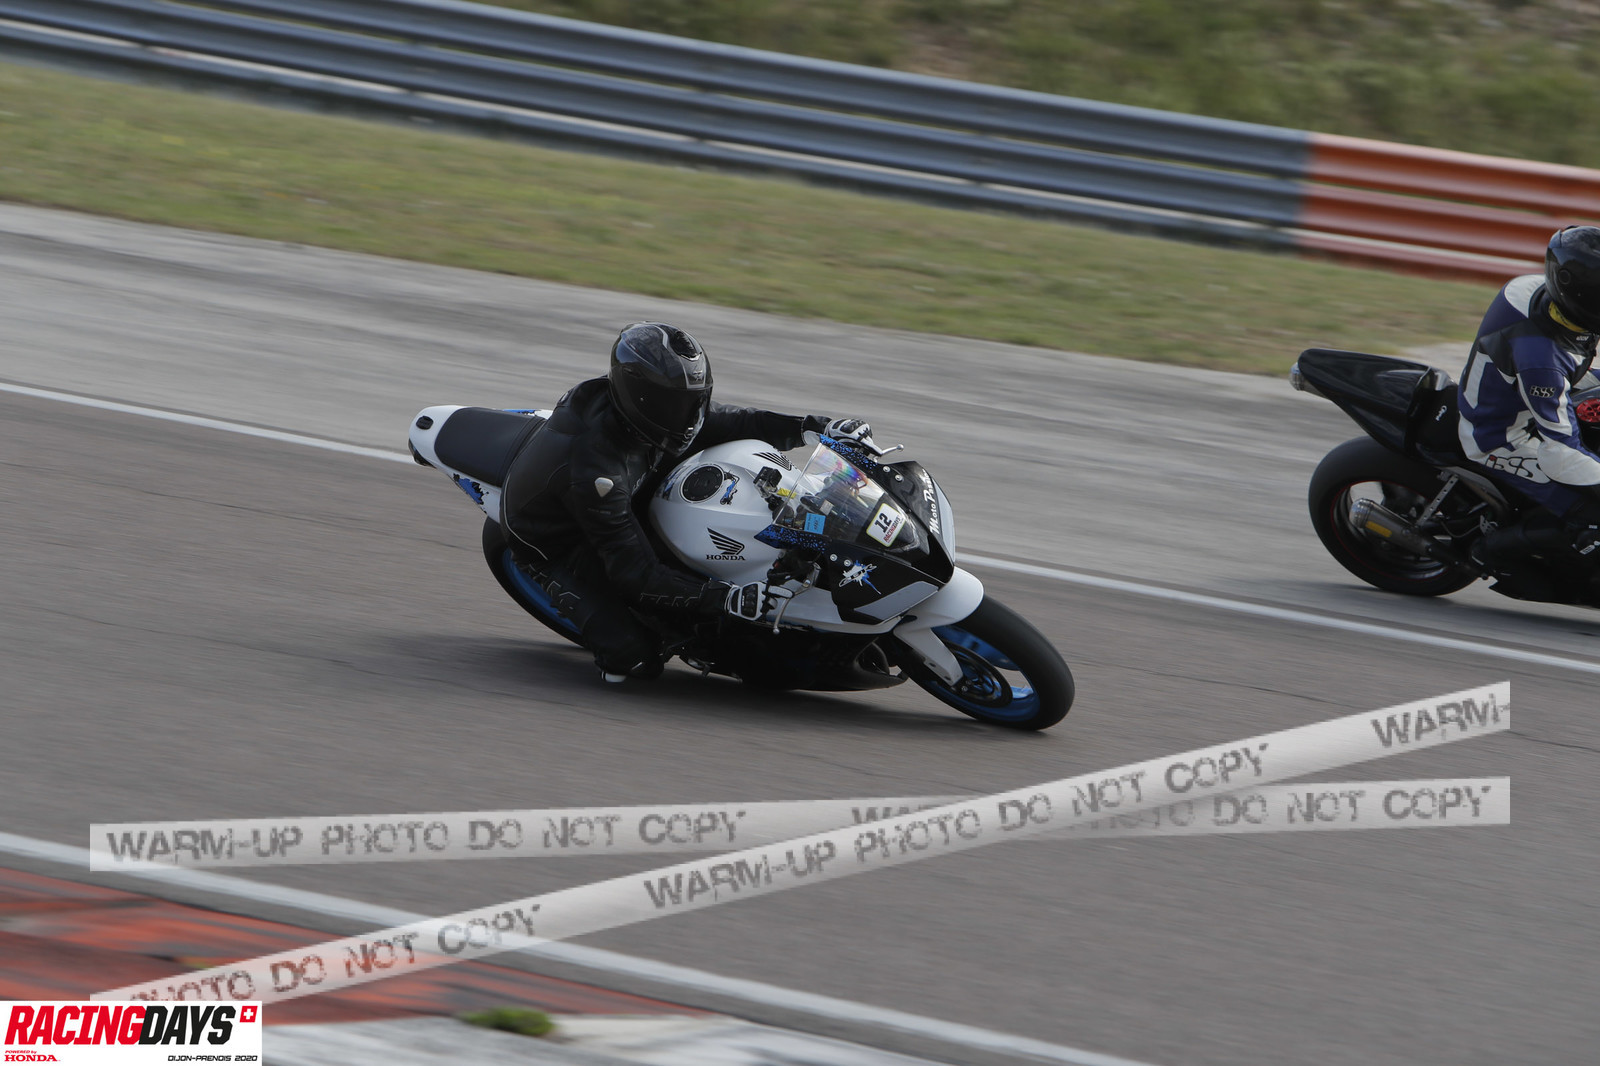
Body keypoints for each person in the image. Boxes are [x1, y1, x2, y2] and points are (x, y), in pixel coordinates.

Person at [499, 322, 871, 681]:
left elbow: (735, 421)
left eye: (695, 400)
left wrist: (817, 427)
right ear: (640, 398)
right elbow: (634, 573)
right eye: (677, 405)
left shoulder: (652, 417)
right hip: (558, 543)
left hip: (628, 491)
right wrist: (725, 599)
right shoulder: (596, 471)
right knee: (634, 659)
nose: (691, 416)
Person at [1457, 226, 1600, 599]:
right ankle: (1489, 551)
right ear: (1585, 298)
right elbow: (1561, 450)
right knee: (1590, 515)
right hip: (1501, 437)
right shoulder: (1543, 361)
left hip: (1522, 395)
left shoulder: (1535, 290)